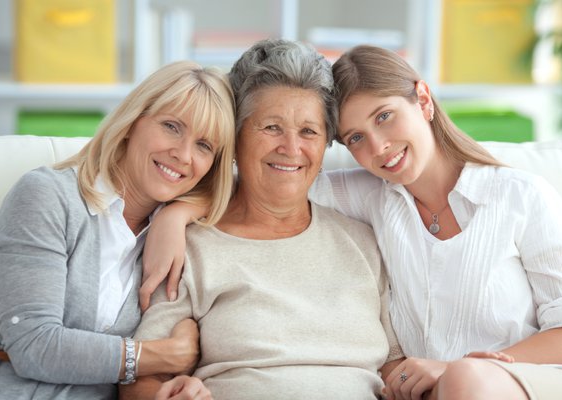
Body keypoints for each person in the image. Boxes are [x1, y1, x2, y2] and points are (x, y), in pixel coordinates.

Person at [120, 39, 405, 400]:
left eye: (309, 131)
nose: (290, 147)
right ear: (235, 138)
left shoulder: (362, 239)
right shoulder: (188, 246)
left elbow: (394, 366)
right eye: (271, 127)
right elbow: (142, 382)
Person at [306, 45, 562, 400]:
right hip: (437, 393)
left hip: (535, 383)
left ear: (422, 100)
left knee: (467, 379)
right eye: (356, 138)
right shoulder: (371, 197)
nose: (378, 147)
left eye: (384, 116)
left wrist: (457, 369)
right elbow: (273, 180)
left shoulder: (522, 196)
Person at [0, 60, 236, 399]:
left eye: (204, 145)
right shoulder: (46, 196)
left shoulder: (180, 236)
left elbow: (255, 186)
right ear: (133, 121)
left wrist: (178, 214)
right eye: (172, 127)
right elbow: (34, 345)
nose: (183, 155)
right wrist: (165, 354)